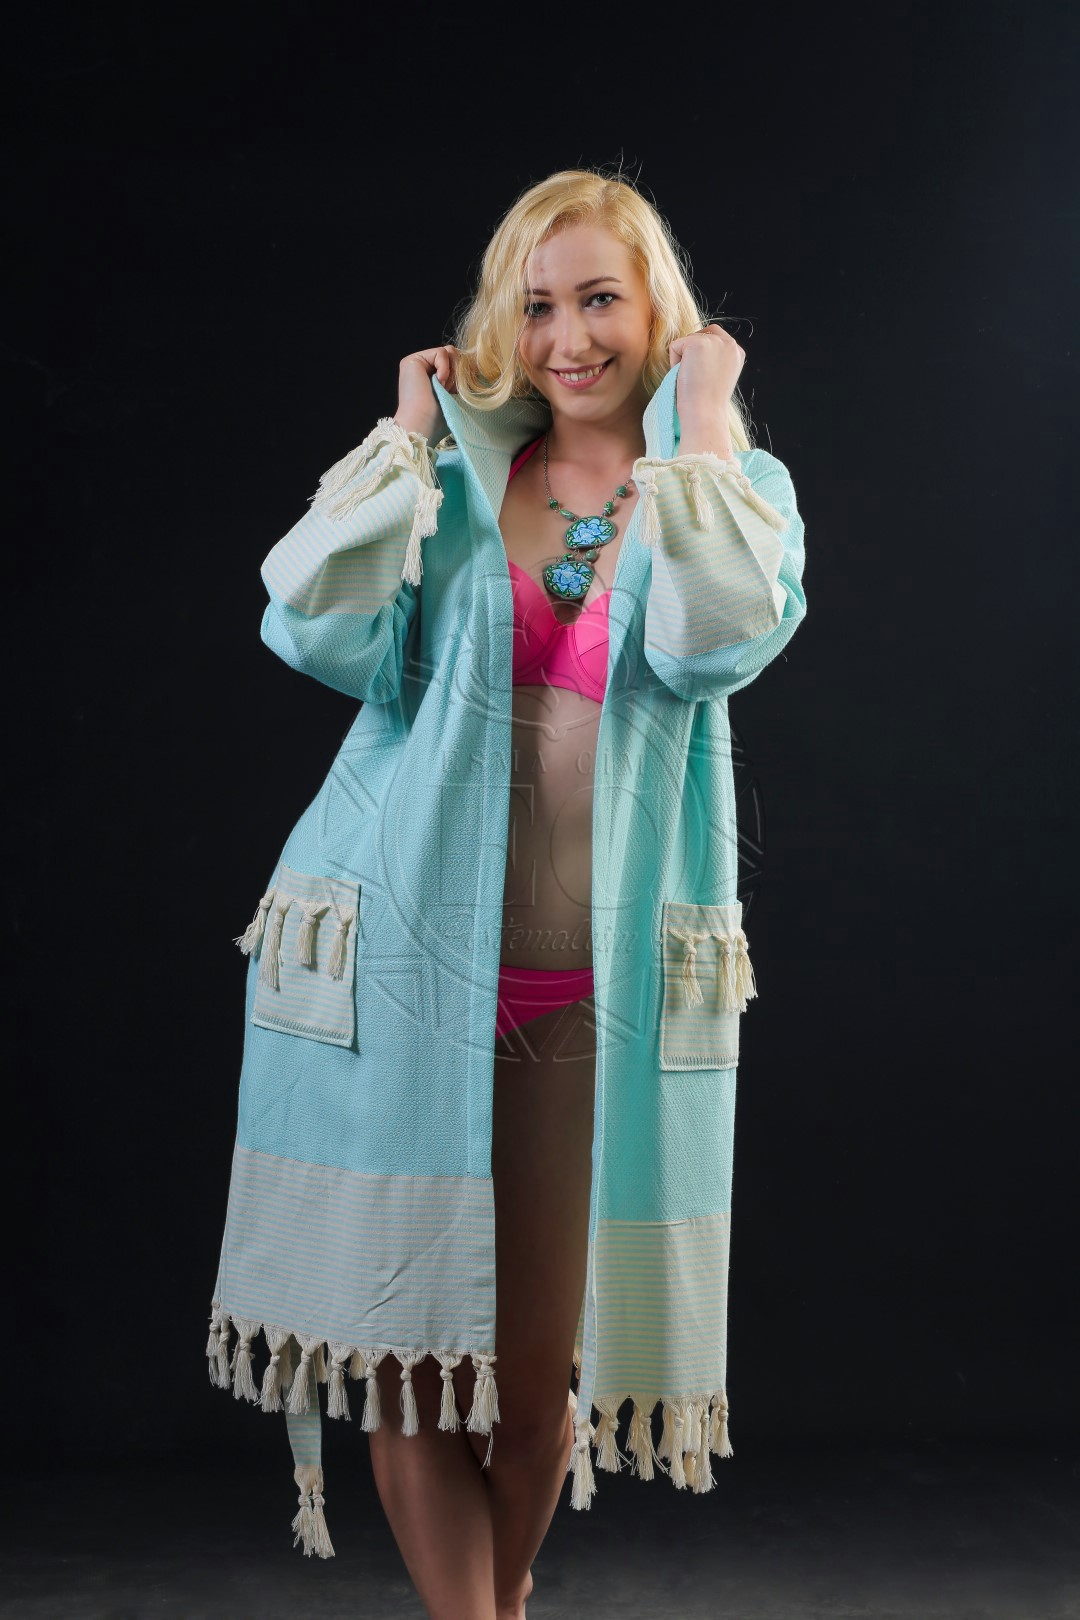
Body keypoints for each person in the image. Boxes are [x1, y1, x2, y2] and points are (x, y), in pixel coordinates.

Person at [207, 166, 808, 1620]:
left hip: (590, 988)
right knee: (413, 1371)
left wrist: (702, 424)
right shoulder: (459, 485)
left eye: (600, 299)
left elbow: (718, 640)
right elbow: (311, 623)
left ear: (657, 309)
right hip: (408, 968)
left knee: (537, 1387)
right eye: (536, 306)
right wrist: (403, 445)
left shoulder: (727, 492)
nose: (567, 338)